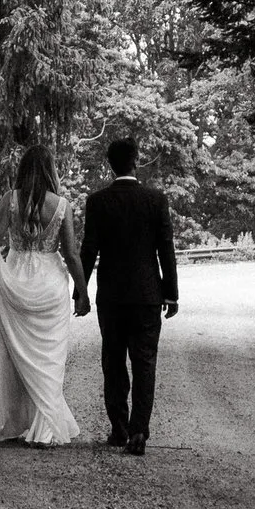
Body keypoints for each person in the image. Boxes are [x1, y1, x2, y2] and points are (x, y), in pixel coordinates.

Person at [0, 141, 85, 446]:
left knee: (14, 356)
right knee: (51, 357)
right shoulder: (62, 206)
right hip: (50, 285)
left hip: (14, 281)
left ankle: (17, 422)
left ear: (24, 170)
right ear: (50, 171)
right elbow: (71, 253)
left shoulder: (10, 200)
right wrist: (83, 291)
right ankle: (46, 428)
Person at [76, 134, 178, 454]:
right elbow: (166, 250)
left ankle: (119, 428)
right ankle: (139, 431)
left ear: (110, 164)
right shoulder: (155, 199)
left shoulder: (98, 202)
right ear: (136, 160)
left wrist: (81, 292)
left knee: (114, 362)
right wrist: (171, 294)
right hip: (148, 295)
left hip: (112, 297)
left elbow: (88, 250)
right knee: (145, 363)